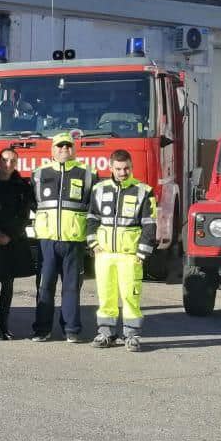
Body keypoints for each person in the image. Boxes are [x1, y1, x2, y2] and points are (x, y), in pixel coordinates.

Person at [28, 132, 95, 343]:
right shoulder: (39, 174)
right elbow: (31, 203)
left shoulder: (86, 173)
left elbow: (93, 208)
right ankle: (42, 330)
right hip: (47, 239)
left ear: (74, 149)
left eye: (68, 146)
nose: (64, 149)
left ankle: (72, 329)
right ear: (52, 150)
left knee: (72, 287)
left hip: (73, 240)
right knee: (44, 286)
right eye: (59, 146)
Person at [87, 149, 157, 352]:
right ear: (111, 168)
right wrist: (93, 244)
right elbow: (91, 218)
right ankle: (106, 334)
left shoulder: (144, 191)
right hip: (104, 255)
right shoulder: (99, 189)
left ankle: (132, 336)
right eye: (118, 168)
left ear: (131, 167)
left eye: (126, 168)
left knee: (130, 297)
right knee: (106, 296)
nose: (122, 172)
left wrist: (142, 253)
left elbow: (149, 224)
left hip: (130, 256)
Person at [0, 148, 35, 340]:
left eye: (13, 161)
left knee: (8, 283)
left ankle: (4, 325)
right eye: (5, 160)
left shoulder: (22, 185)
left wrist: (9, 234)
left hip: (13, 239)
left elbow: (24, 214)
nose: (9, 164)